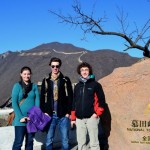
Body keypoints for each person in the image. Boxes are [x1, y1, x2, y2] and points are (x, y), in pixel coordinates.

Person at [40, 57, 73, 150]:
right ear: (50, 66)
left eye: (57, 66)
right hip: (50, 115)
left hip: (63, 115)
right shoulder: (46, 80)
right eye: (53, 66)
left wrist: (68, 113)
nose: (55, 68)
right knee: (49, 140)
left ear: (59, 66)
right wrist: (44, 112)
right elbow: (42, 98)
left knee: (65, 140)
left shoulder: (65, 80)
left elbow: (70, 97)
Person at [71, 62, 105, 150]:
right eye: (82, 70)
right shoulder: (78, 86)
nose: (84, 72)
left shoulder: (95, 85)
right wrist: (73, 118)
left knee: (94, 142)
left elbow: (101, 101)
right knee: (81, 142)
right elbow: (74, 102)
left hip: (91, 117)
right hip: (79, 119)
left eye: (86, 70)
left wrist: (96, 114)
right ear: (80, 72)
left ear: (89, 71)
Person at [12, 66, 40, 150]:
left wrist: (34, 116)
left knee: (30, 142)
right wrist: (20, 117)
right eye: (24, 74)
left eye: (28, 74)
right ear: (21, 74)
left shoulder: (34, 86)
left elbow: (37, 102)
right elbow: (14, 102)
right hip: (20, 120)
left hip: (31, 119)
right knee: (18, 142)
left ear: (30, 75)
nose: (26, 76)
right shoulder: (17, 86)